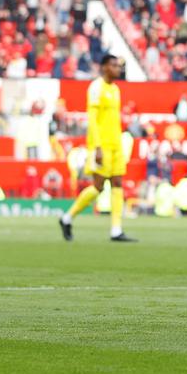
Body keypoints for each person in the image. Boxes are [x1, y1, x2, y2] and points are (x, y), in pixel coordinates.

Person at [59, 55, 137, 242]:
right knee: (98, 187)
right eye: (114, 65)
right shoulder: (96, 87)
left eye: (119, 66)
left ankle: (116, 230)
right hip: (101, 145)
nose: (118, 69)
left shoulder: (115, 89)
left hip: (116, 144)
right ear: (104, 67)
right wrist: (97, 147)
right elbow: (92, 120)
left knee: (118, 183)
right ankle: (67, 218)